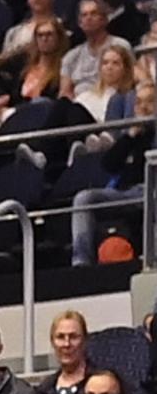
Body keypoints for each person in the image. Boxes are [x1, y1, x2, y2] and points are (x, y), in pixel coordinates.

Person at [70, 84, 154, 265]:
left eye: (150, 102)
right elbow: (108, 165)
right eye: (139, 103)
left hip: (152, 190)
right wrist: (130, 136)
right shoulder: (132, 134)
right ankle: (81, 261)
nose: (143, 107)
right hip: (126, 192)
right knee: (84, 198)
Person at [31, 312, 90, 394]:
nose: (66, 344)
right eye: (60, 337)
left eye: (73, 337)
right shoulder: (44, 389)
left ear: (85, 340)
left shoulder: (99, 381)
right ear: (53, 342)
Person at [59, 0, 131, 99]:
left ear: (104, 19)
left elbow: (129, 81)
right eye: (84, 15)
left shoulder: (121, 45)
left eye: (93, 13)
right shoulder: (71, 56)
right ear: (80, 23)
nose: (89, 18)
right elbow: (64, 93)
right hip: (79, 106)